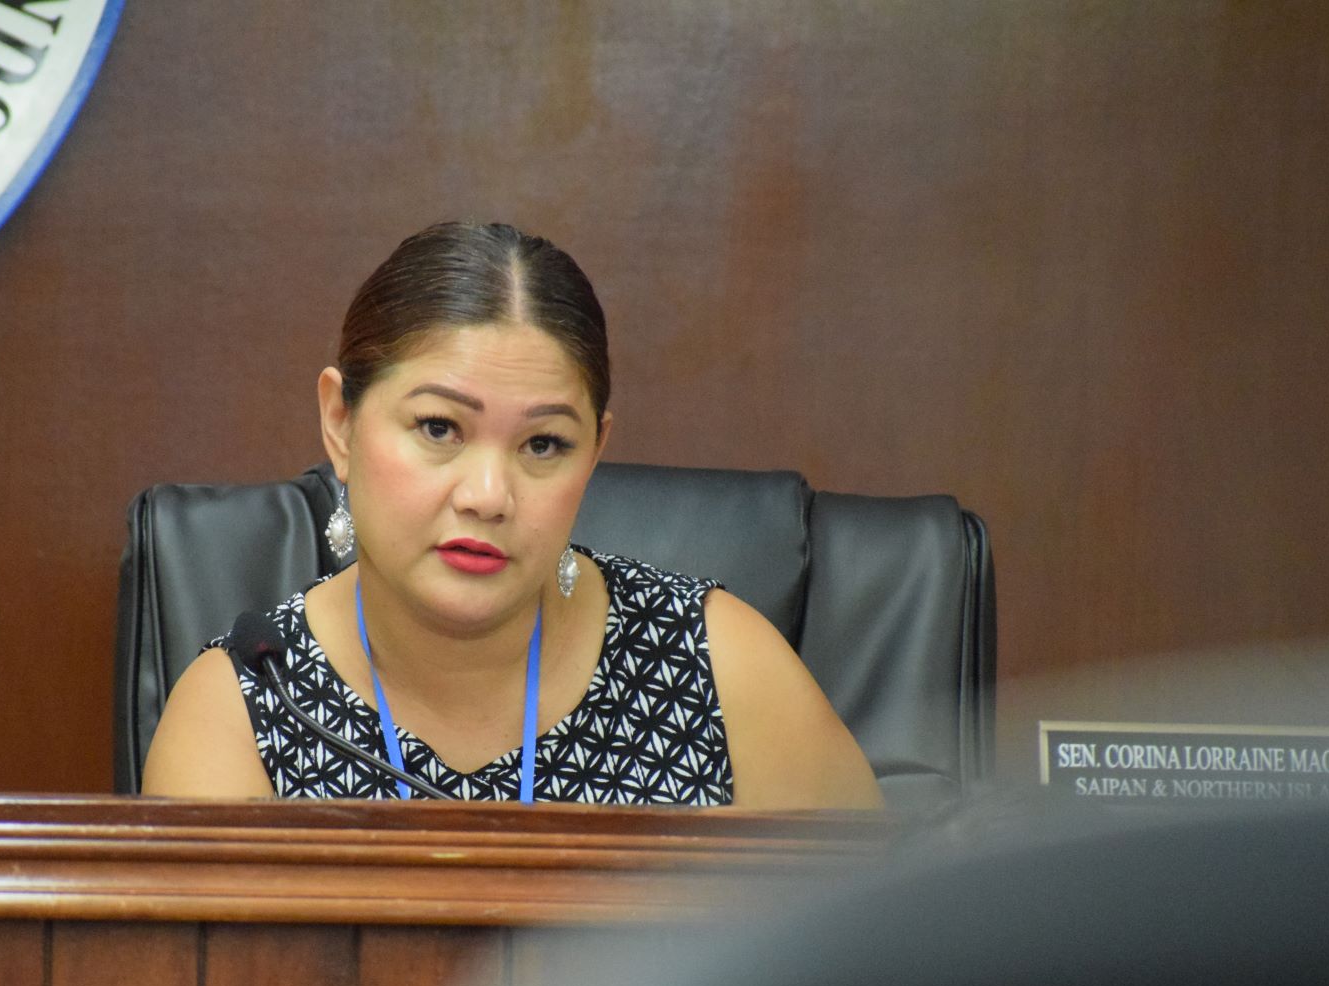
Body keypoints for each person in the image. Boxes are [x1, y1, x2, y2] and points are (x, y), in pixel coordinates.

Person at [143, 222, 880, 809]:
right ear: (340, 421)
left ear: (594, 452)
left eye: (543, 444)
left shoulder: (720, 667)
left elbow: (868, 973)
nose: (489, 495)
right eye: (439, 428)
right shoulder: (245, 707)